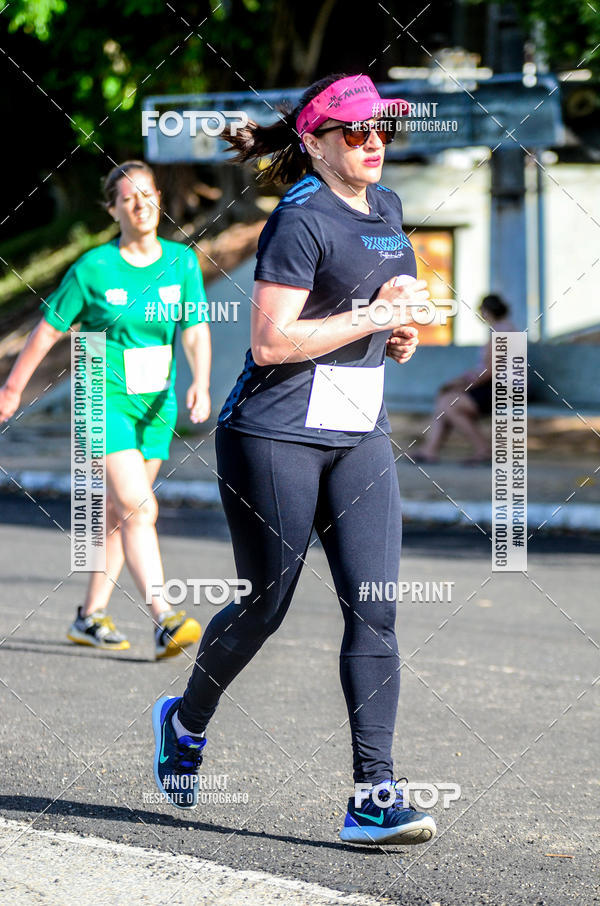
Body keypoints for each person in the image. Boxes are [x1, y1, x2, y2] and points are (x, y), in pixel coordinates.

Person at [152, 73, 438, 845]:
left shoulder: (388, 207)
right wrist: (375, 314)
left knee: (374, 605)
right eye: (353, 130)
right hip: (273, 434)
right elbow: (272, 342)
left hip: (358, 431)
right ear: (315, 142)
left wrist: (394, 331)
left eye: (379, 127)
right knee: (265, 606)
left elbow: (368, 305)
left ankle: (373, 796)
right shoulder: (299, 219)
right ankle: (185, 721)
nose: (372, 140)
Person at [0, 160, 210, 659]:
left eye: (148, 194)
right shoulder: (93, 268)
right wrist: (11, 389)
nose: (140, 204)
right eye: (128, 197)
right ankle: (164, 616)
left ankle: (89, 616)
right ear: (113, 208)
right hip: (102, 395)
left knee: (119, 514)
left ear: (161, 199)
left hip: (155, 403)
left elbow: (196, 328)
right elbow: (49, 330)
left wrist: (200, 380)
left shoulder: (181, 262)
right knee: (141, 508)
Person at [414, 294, 516, 465]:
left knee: (449, 403)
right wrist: (460, 382)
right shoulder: (506, 329)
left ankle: (483, 450)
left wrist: (464, 386)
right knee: (445, 400)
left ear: (485, 312)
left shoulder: (500, 333)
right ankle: (430, 450)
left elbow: (490, 371)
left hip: (505, 389)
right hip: (501, 386)